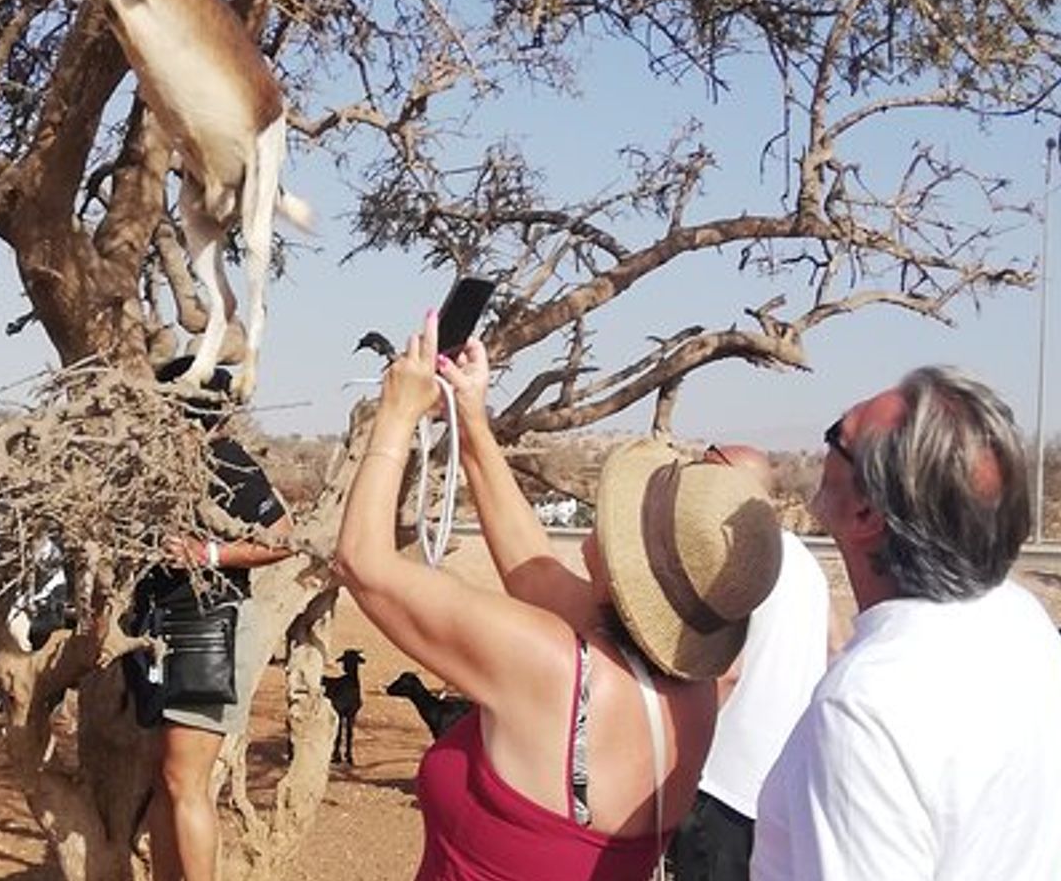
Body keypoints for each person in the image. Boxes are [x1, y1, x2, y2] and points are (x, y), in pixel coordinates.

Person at [335, 313, 783, 880]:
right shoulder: (692, 691)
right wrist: (472, 421)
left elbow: (364, 564)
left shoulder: (550, 667)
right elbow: (534, 576)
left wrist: (397, 413)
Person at [752, 366, 1061, 879]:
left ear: (866, 512)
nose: (823, 451)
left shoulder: (864, 707)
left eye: (837, 435)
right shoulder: (1023, 621)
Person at [129, 357, 296, 881]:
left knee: (185, 780)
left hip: (209, 630)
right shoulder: (155, 469)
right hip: (160, 632)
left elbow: (284, 539)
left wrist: (210, 555)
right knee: (164, 779)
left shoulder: (226, 460)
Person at [668, 444, 834, 881]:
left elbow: (725, 673)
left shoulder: (735, 558)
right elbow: (833, 646)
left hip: (721, 782)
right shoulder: (803, 559)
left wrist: (672, 759)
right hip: (781, 784)